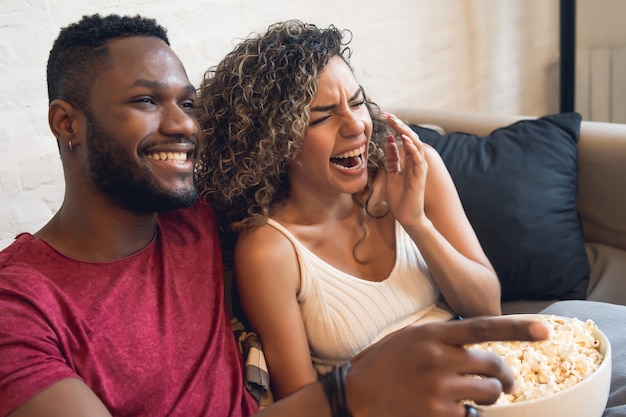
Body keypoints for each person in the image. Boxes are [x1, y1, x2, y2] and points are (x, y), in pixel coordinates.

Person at [0, 12, 575, 417]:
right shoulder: (20, 305)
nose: (183, 126)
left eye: (189, 104)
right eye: (148, 101)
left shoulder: (195, 216)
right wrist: (352, 390)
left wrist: (406, 202)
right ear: (66, 122)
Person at [195, 20, 502, 400]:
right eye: (323, 116)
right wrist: (386, 361)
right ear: (274, 144)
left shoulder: (414, 172)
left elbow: (488, 309)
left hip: (481, 380)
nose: (357, 124)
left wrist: (416, 223)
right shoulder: (268, 251)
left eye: (356, 102)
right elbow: (300, 401)